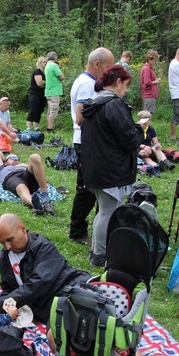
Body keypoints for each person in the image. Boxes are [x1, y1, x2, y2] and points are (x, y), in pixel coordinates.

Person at [0, 213, 179, 356]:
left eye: (10, 240)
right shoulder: (3, 258)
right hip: (51, 307)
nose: (7, 246)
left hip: (72, 288)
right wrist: (6, 306)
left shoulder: (42, 247)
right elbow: (9, 290)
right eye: (2, 242)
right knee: (60, 340)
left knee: (98, 324)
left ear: (23, 228)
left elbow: (39, 284)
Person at [80, 65, 141, 267]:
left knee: (103, 210)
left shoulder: (95, 103)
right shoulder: (113, 104)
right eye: (126, 85)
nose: (126, 90)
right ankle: (100, 255)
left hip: (96, 166)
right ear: (117, 82)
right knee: (108, 211)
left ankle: (97, 250)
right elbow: (127, 137)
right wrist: (141, 128)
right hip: (109, 168)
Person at [69, 47, 115, 245]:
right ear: (97, 64)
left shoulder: (87, 81)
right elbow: (80, 117)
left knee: (89, 188)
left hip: (87, 141)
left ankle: (88, 227)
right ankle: (78, 231)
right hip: (86, 142)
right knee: (87, 189)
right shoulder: (87, 84)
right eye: (107, 67)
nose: (109, 72)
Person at [0, 149, 55, 215]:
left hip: (25, 175)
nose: (15, 159)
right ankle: (36, 204)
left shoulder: (22, 166)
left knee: (35, 157)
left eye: (17, 158)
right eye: (12, 158)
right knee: (21, 187)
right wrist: (6, 162)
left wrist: (24, 165)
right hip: (12, 177)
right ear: (5, 162)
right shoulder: (1, 168)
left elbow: (35, 167)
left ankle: (46, 200)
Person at [43, 51, 65, 133]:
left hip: (48, 91)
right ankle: (50, 128)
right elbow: (62, 77)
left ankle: (48, 127)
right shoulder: (54, 66)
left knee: (49, 111)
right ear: (55, 58)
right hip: (54, 91)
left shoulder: (47, 65)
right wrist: (59, 67)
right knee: (54, 111)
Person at [25, 57, 47, 131]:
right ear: (40, 63)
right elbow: (39, 83)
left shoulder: (45, 72)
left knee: (40, 110)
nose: (45, 63)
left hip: (42, 94)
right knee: (33, 110)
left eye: (46, 62)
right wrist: (46, 83)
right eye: (44, 62)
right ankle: (28, 126)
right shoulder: (37, 71)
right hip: (35, 94)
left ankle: (36, 126)